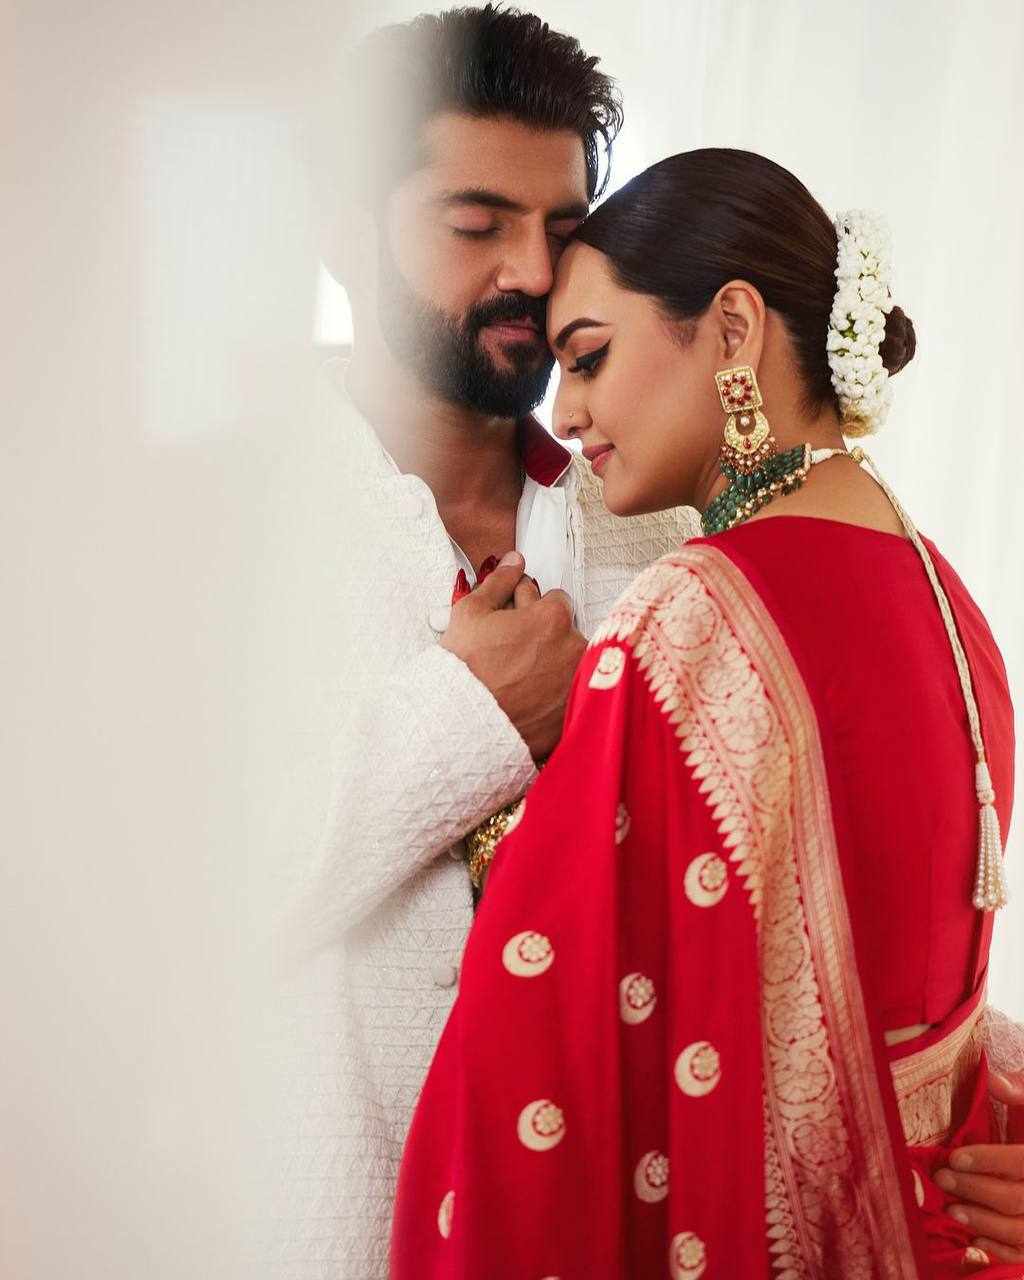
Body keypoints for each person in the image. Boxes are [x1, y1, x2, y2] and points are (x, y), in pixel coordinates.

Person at [390, 149, 1023, 1277]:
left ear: (733, 329)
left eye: (589, 357)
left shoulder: (693, 614)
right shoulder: (944, 594)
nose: (566, 411)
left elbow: (538, 1044)